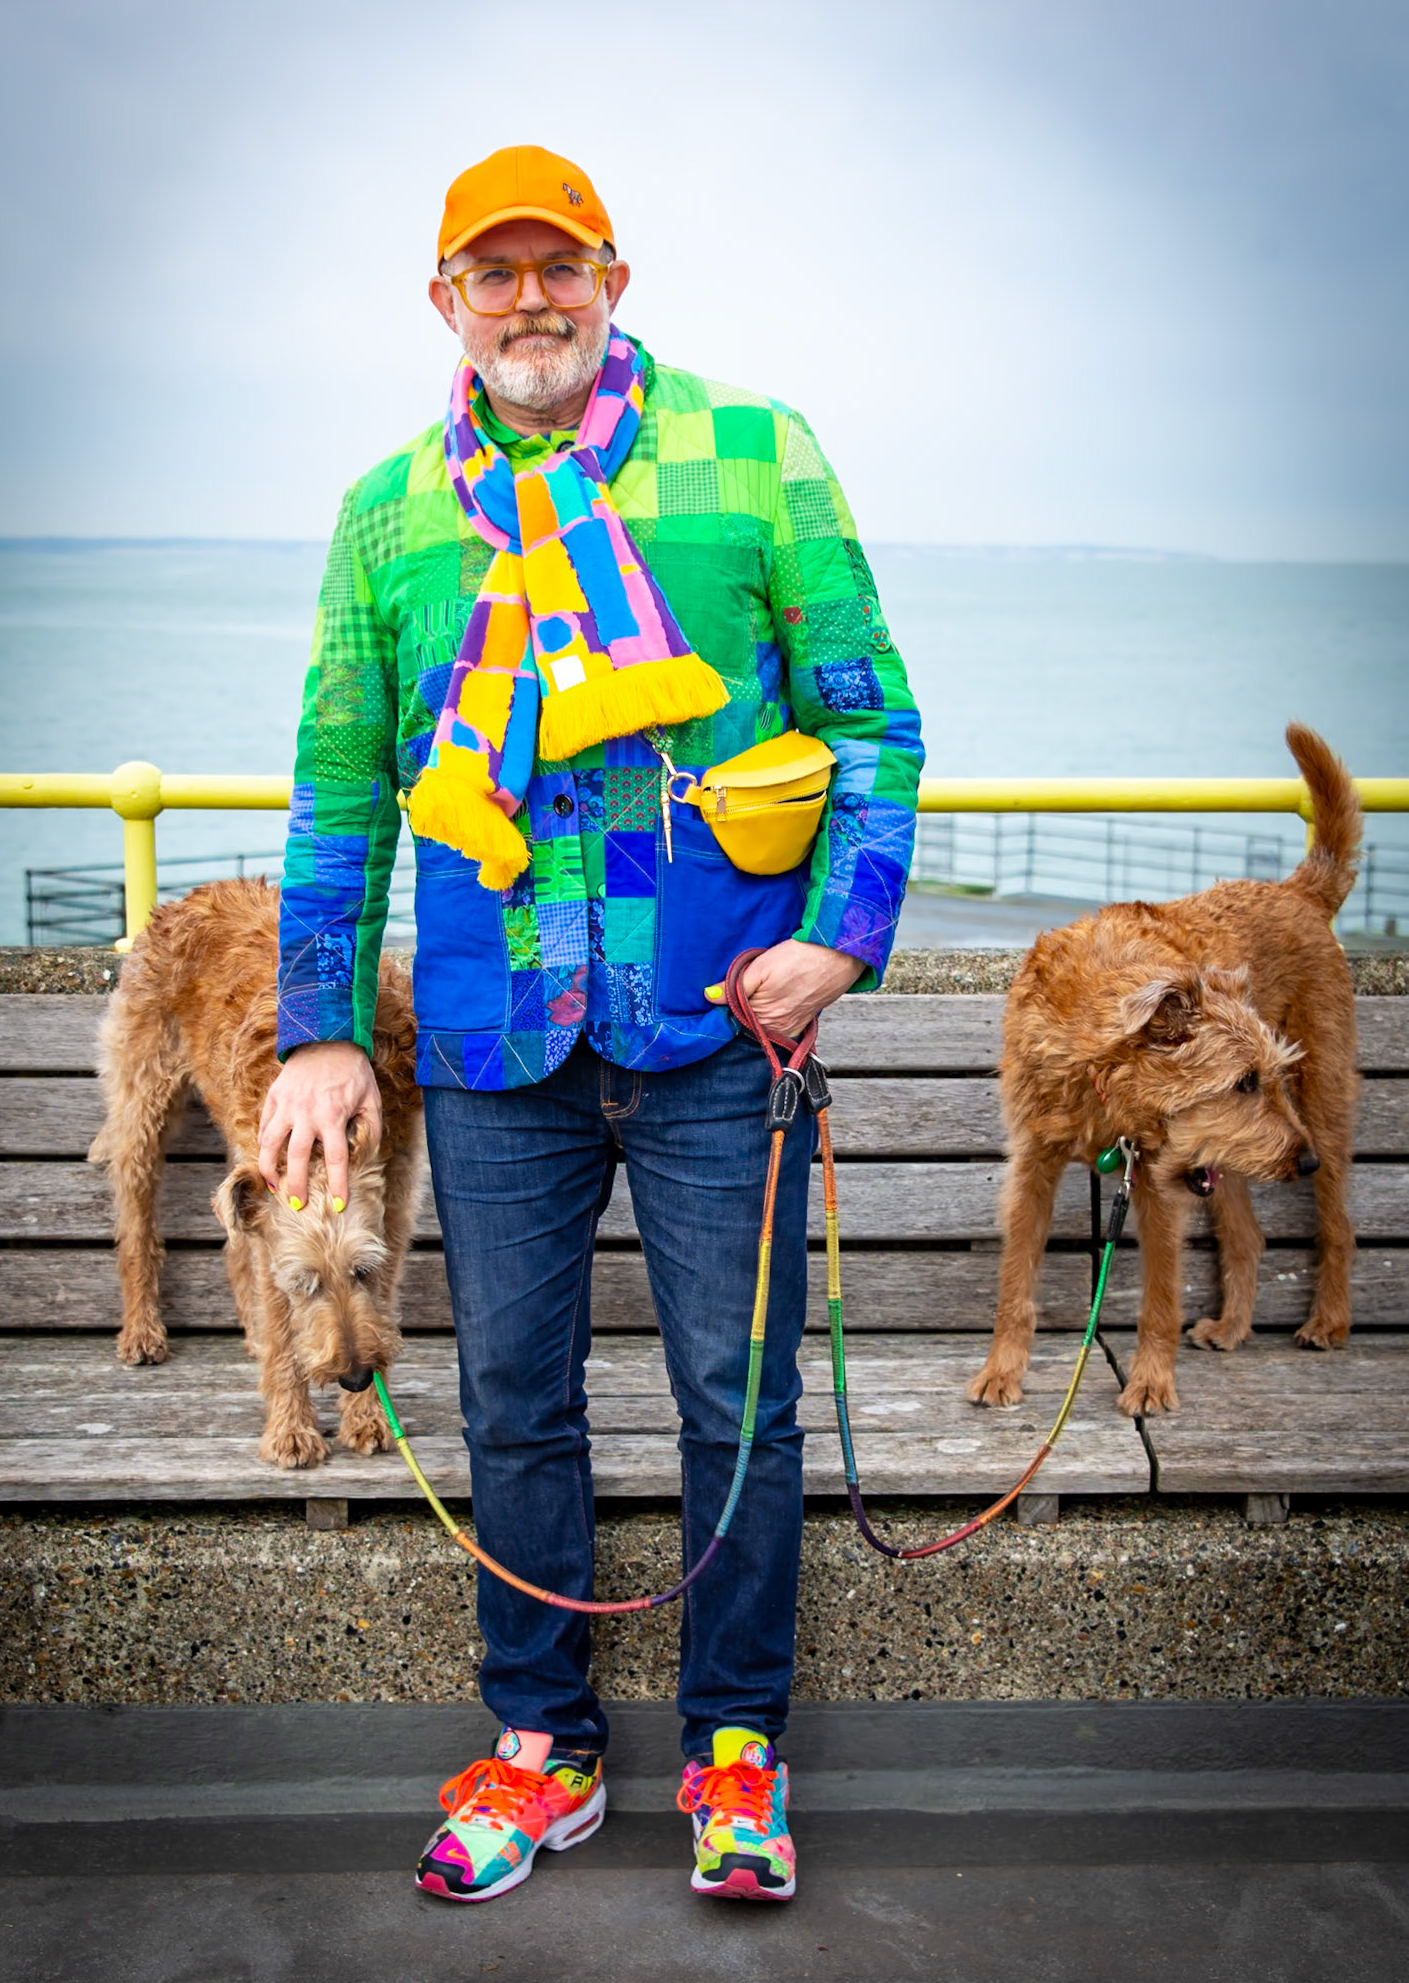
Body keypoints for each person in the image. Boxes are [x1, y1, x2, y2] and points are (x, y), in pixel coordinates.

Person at [259, 144, 923, 1905]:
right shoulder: (388, 513)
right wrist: (314, 1027)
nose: (531, 300)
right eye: (496, 273)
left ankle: (735, 1750)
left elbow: (873, 730)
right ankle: (540, 1745)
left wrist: (838, 947)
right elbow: (341, 795)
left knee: (739, 1399)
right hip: (491, 1043)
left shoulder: (755, 454)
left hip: (721, 1028)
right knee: (512, 1401)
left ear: (615, 279)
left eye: (562, 268)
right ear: (446, 302)